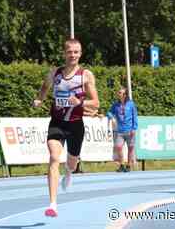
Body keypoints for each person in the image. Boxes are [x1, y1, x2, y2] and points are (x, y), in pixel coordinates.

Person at [33, 38, 99, 217]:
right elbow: (44, 88)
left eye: (76, 52)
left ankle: (69, 173)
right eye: (70, 52)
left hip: (76, 125)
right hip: (57, 123)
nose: (73, 55)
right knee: (54, 157)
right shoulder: (54, 73)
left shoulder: (86, 75)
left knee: (71, 163)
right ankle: (53, 204)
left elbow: (96, 103)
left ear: (80, 54)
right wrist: (40, 99)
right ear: (64, 53)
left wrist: (80, 102)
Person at [107, 87, 138, 172]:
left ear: (125, 95)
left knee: (130, 148)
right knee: (118, 147)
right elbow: (109, 112)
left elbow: (134, 116)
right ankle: (121, 164)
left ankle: (128, 165)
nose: (118, 94)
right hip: (119, 131)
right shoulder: (115, 105)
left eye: (120, 93)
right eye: (119, 92)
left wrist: (134, 128)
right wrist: (111, 116)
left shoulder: (131, 104)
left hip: (130, 130)